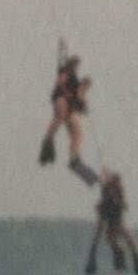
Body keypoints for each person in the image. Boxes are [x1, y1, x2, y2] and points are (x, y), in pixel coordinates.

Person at [38, 48, 98, 186]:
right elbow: (61, 81)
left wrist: (83, 105)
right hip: (62, 101)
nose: (84, 90)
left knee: (78, 134)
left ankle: (74, 159)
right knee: (61, 113)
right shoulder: (68, 75)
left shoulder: (79, 92)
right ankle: (48, 140)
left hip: (70, 108)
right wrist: (68, 93)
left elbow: (81, 104)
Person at [84, 170, 138, 275]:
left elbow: (123, 206)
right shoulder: (107, 188)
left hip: (115, 215)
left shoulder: (118, 191)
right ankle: (119, 257)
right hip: (107, 213)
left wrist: (117, 201)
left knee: (124, 235)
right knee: (108, 237)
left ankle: (136, 259)